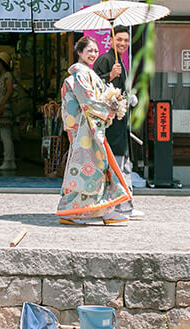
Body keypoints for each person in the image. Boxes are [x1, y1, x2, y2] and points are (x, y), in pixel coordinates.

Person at [57, 36, 134, 225]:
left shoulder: (85, 74)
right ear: (79, 52)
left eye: (95, 50)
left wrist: (112, 100)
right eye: (89, 50)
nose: (93, 54)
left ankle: (104, 211)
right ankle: (72, 211)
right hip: (86, 130)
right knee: (88, 171)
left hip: (90, 129)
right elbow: (88, 102)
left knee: (97, 169)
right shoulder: (80, 75)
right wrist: (110, 109)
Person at [93, 27, 133, 169]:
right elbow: (93, 85)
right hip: (107, 117)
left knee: (119, 151)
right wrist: (110, 75)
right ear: (111, 41)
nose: (123, 43)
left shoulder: (119, 61)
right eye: (119, 39)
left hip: (118, 115)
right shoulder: (105, 59)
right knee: (111, 152)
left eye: (126, 40)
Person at [0, 52, 17, 173]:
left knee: (5, 136)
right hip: (0, 108)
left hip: (4, 109)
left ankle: (8, 160)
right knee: (4, 135)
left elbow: (9, 91)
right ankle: (10, 161)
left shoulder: (7, 76)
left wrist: (1, 104)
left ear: (2, 64)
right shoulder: (1, 76)